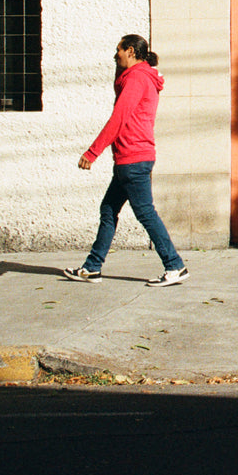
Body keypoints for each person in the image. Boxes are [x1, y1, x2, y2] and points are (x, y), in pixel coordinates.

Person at [62, 34, 189, 287]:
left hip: (133, 158)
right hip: (129, 158)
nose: (114, 55)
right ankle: (92, 267)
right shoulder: (136, 76)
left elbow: (118, 118)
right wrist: (118, 71)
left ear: (130, 51)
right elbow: (119, 101)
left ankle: (174, 265)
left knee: (145, 213)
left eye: (118, 50)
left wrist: (92, 152)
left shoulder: (137, 78)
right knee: (108, 210)